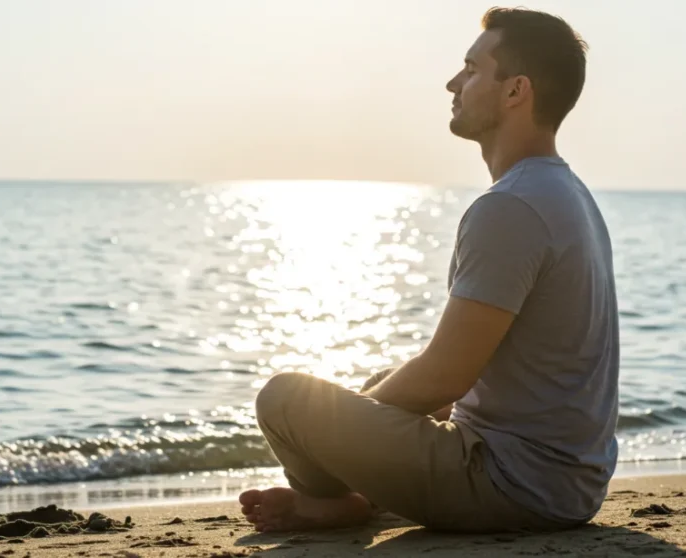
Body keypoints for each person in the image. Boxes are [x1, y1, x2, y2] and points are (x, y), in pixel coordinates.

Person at [239, 6, 619, 534]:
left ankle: (337, 500)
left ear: (515, 91)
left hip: (513, 485)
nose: (452, 83)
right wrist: (365, 416)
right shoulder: (566, 192)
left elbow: (445, 378)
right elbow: (456, 380)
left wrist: (335, 430)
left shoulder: (510, 207)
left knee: (287, 400)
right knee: (374, 386)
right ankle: (349, 495)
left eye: (470, 69)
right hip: (566, 480)